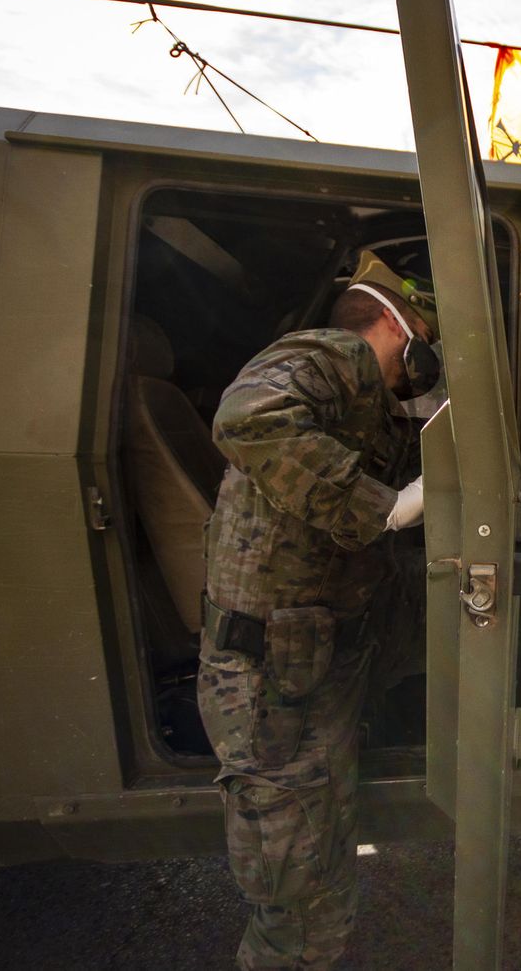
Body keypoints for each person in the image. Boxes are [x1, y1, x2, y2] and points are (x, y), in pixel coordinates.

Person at [199, 251, 438, 970]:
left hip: (307, 665)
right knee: (302, 904)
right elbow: (250, 415)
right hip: (278, 684)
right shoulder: (338, 355)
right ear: (396, 327)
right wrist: (382, 507)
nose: (429, 360)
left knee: (313, 882)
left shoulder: (363, 404)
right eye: (428, 338)